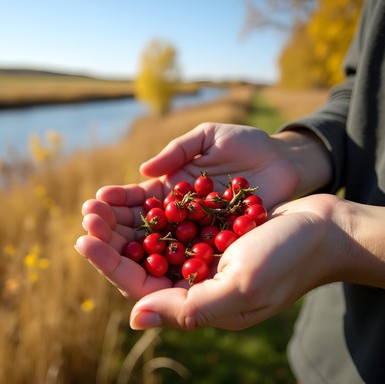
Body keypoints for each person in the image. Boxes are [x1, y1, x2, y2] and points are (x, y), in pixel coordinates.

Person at [75, 1, 385, 382]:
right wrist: (291, 153)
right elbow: (365, 94)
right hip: (330, 349)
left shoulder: (194, 231)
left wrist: (345, 237)